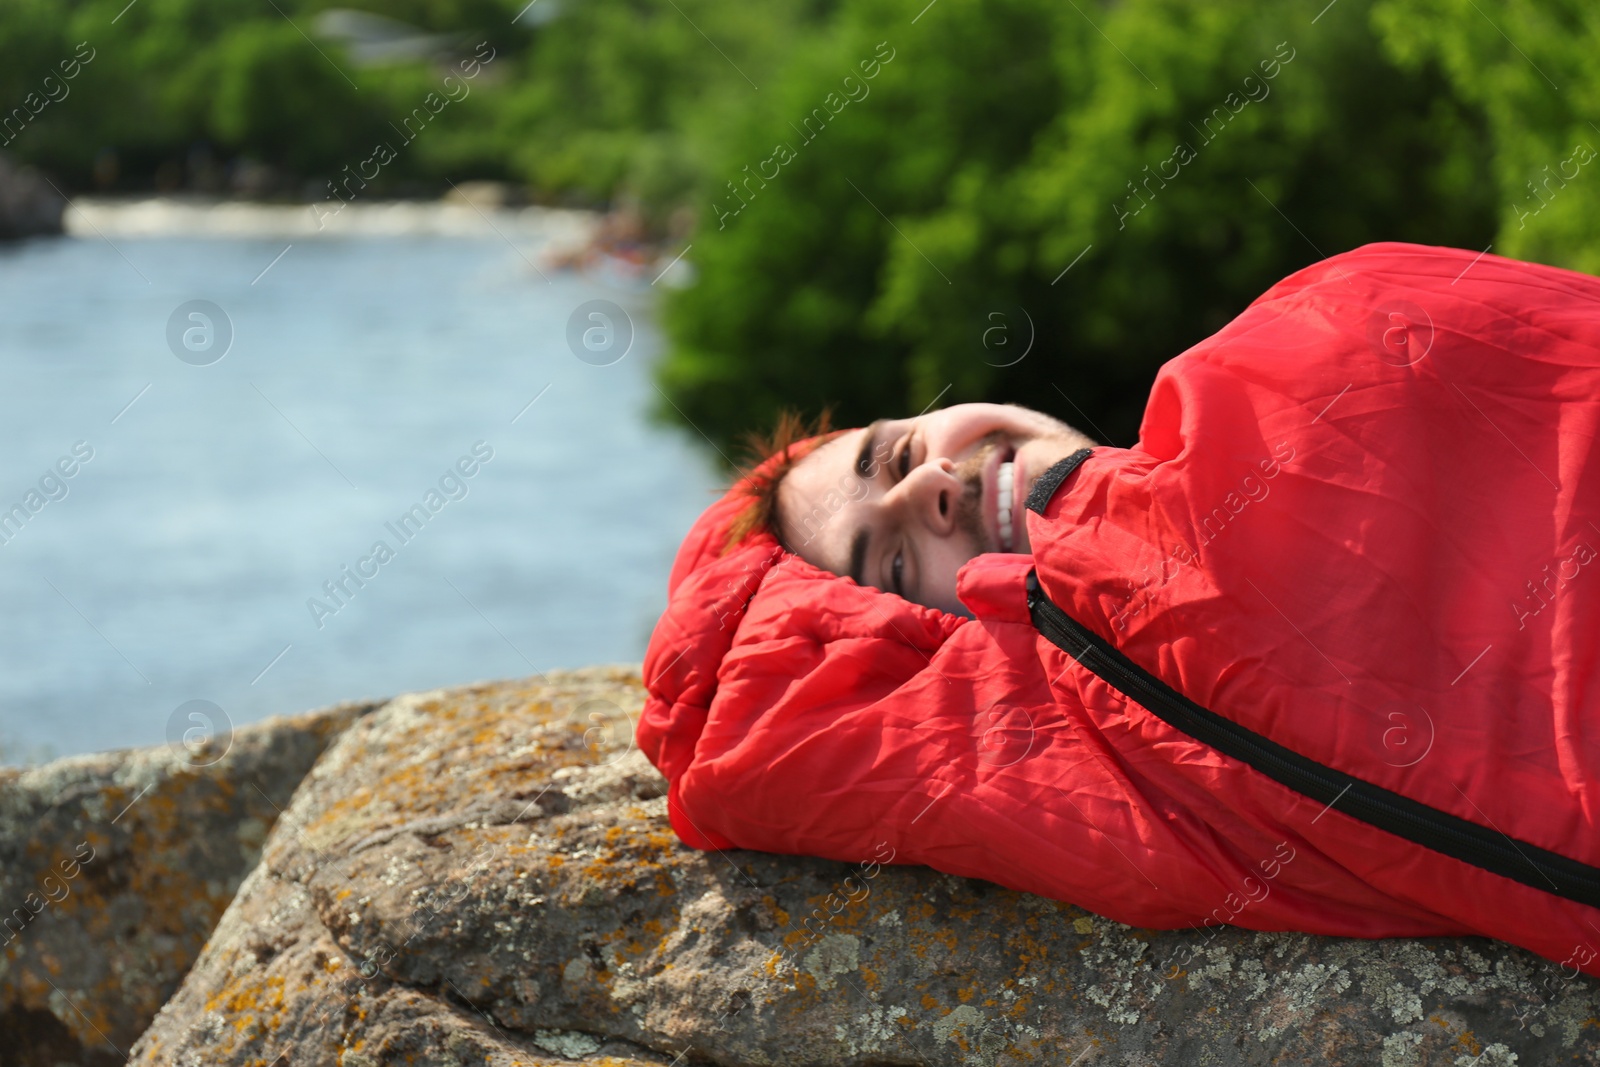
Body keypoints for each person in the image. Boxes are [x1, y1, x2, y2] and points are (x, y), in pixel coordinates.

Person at [638, 242, 1600, 978]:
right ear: (918, 647)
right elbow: (758, 742)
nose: (931, 484)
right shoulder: (1136, 717)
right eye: (893, 559)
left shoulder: (1282, 346)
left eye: (895, 453)